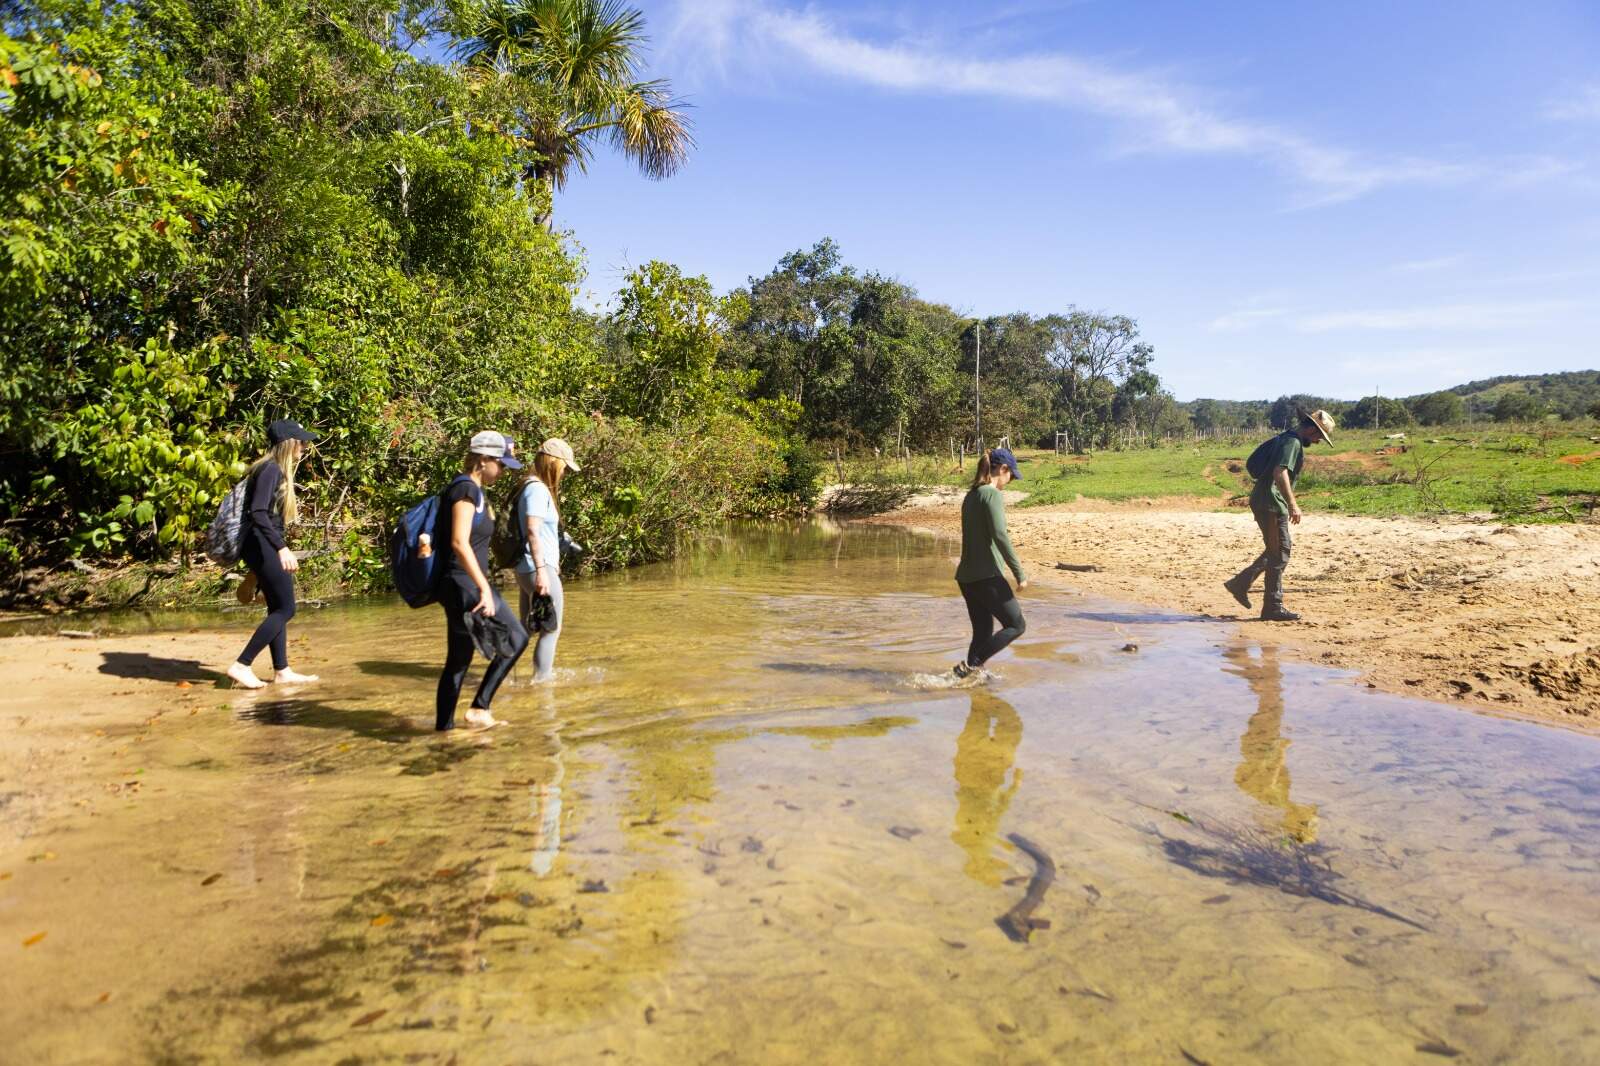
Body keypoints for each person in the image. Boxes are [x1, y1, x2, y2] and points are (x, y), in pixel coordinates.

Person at [435, 431, 529, 730]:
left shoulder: (468, 489)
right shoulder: (466, 490)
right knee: (516, 638)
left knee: (459, 660)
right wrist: (485, 588)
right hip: (465, 583)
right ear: (483, 459)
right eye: (500, 465)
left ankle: (444, 731)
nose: (502, 472)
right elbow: (459, 543)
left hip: (458, 583)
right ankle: (479, 707)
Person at [227, 420, 320, 690]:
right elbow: (257, 512)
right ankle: (242, 665)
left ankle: (282, 671)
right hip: (263, 545)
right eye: (301, 442)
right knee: (286, 608)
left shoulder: (271, 469)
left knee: (276, 606)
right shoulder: (270, 469)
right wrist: (281, 548)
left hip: (261, 545)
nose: (304, 446)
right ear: (289, 443)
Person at [1224, 408, 1336, 622]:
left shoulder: (1285, 439)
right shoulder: (1292, 442)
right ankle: (1268, 604)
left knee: (1277, 551)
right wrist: (1293, 504)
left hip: (1266, 500)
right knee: (1280, 552)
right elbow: (1280, 472)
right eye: (1319, 436)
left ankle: (1249, 590)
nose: (1319, 440)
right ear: (1311, 428)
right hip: (1271, 502)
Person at [952, 447, 1028, 679]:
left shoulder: (972, 494)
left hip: (967, 578)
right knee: (1017, 625)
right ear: (1002, 469)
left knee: (983, 633)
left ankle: (969, 678)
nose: (1010, 480)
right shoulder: (992, 494)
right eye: (1011, 475)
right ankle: (971, 665)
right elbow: (1000, 534)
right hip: (987, 576)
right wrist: (1019, 573)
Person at [514, 438, 581, 683]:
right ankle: (542, 683)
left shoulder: (528, 486)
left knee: (527, 628)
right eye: (564, 466)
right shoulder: (537, 488)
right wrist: (543, 571)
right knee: (551, 629)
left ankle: (501, 674)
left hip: (528, 568)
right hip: (537, 569)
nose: (564, 472)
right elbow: (532, 529)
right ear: (554, 463)